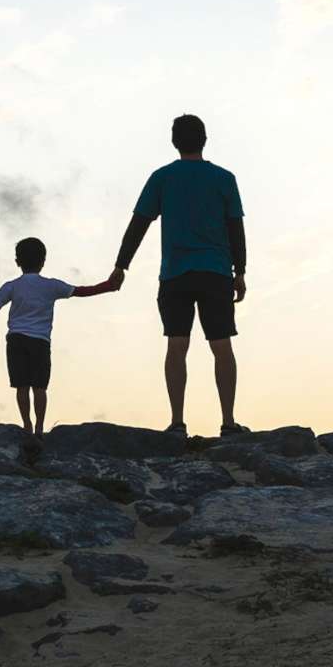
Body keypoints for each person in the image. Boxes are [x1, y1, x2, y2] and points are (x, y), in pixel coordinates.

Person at [110, 114, 246, 437]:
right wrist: (240, 271)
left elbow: (139, 224)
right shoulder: (224, 178)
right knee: (222, 345)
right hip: (215, 272)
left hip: (175, 274)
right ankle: (228, 422)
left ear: (174, 142)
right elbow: (236, 228)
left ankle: (177, 423)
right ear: (205, 139)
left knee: (176, 344)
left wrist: (121, 265)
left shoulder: (162, 178)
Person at [0, 236, 119, 438]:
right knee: (40, 387)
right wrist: (109, 285)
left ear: (17, 262)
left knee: (21, 386)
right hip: (40, 342)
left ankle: (27, 425)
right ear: (43, 261)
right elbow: (83, 291)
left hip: (16, 340)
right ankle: (40, 428)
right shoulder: (51, 286)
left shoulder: (12, 286)